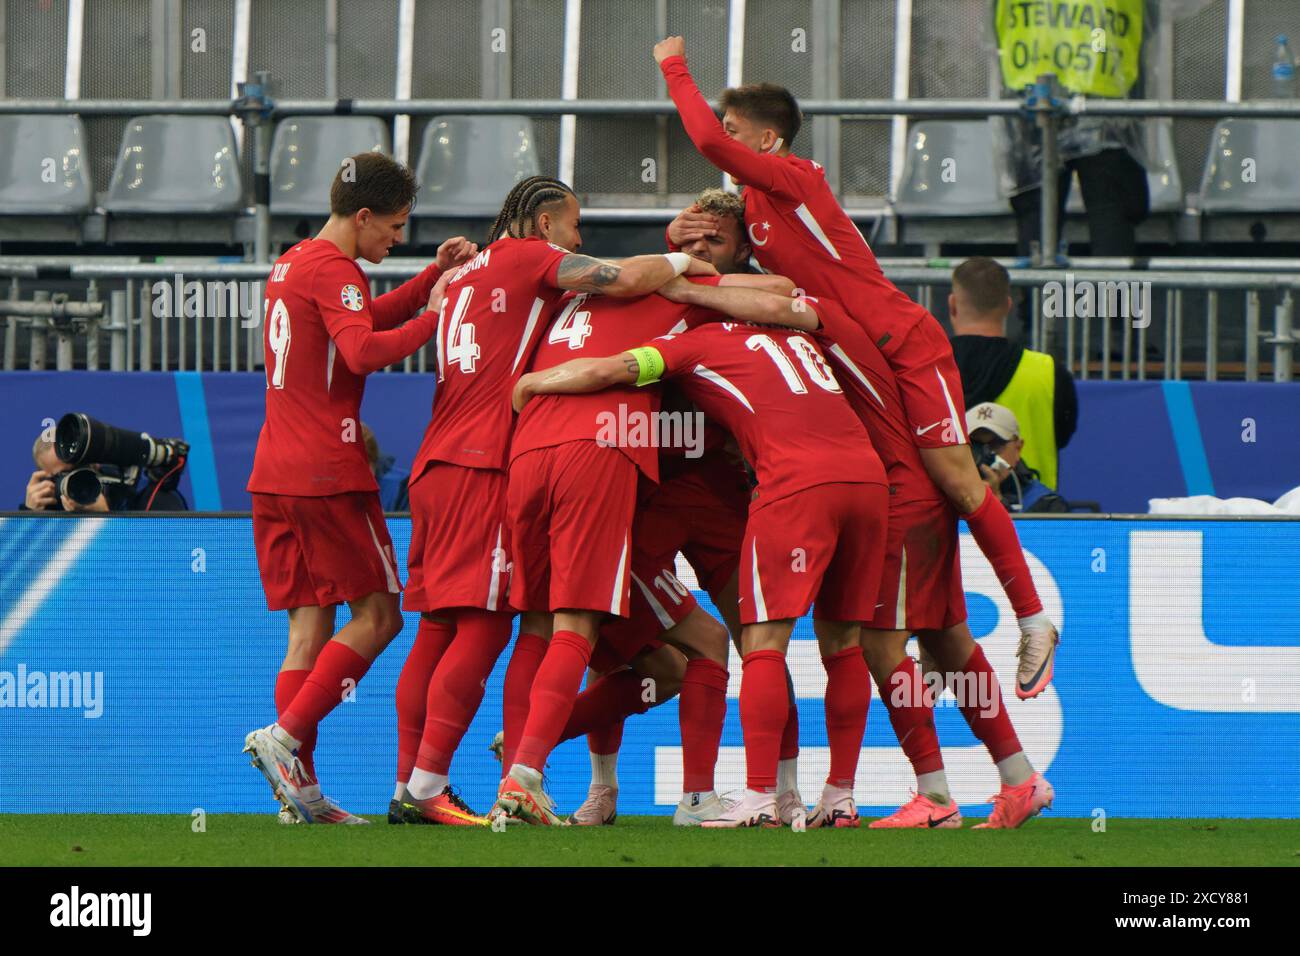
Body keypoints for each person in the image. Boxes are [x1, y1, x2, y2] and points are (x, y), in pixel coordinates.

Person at [655, 34, 1059, 698]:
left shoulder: (795, 177)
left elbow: (706, 144)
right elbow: (733, 265)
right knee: (919, 490)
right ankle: (936, 630)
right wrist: (682, 240)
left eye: (735, 130)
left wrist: (675, 68)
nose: (723, 140)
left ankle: (1033, 620)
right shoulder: (755, 212)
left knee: (956, 479)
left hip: (901, 342)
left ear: (766, 142)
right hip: (857, 358)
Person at [392, 175, 720, 826]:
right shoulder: (534, 259)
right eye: (574, 225)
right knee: (505, 627)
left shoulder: (470, 276)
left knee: (441, 627)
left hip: (440, 459)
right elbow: (619, 279)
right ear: (545, 226)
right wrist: (684, 260)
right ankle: (446, 784)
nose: (580, 238)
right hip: (489, 458)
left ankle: (420, 781)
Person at [669, 282, 1055, 828]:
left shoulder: (811, 318)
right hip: (906, 489)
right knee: (949, 642)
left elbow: (776, 297)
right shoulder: (870, 323)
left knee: (875, 642)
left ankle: (935, 795)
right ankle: (1018, 776)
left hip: (893, 491)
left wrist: (681, 277)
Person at [513, 303, 888, 829]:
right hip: (648, 505)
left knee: (756, 643)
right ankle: (601, 787)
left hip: (723, 503)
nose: (703, 250)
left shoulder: (727, 329)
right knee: (616, 647)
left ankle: (780, 793)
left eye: (713, 241)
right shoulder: (660, 323)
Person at [241, 151, 477, 825]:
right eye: (395, 228)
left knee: (308, 629)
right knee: (380, 616)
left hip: (273, 472)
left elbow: (361, 320)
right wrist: (440, 313)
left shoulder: (293, 261)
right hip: (327, 469)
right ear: (364, 215)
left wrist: (434, 276)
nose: (396, 241)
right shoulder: (334, 270)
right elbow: (364, 351)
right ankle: (284, 740)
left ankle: (300, 794)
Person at [991, 0, 1212, 259]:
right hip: (1105, 92)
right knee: (1111, 211)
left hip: (1036, 95)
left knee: (1038, 216)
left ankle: (1037, 297)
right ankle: (1109, 297)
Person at [949, 256, 1076, 490]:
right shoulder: (1048, 372)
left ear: (953, 305)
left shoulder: (925, 370)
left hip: (947, 516)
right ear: (1008, 306)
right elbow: (1062, 436)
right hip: (1033, 518)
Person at [23, 430, 188, 512]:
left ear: (94, 462)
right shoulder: (47, 507)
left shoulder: (149, 495)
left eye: (77, 469)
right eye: (60, 477)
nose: (70, 480)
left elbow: (164, 568)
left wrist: (105, 518)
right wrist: (28, 516)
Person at [967, 401, 1069, 514]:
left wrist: (995, 501)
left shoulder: (1047, 505)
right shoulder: (948, 499)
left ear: (1018, 448)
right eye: (976, 446)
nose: (985, 456)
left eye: (996, 444)